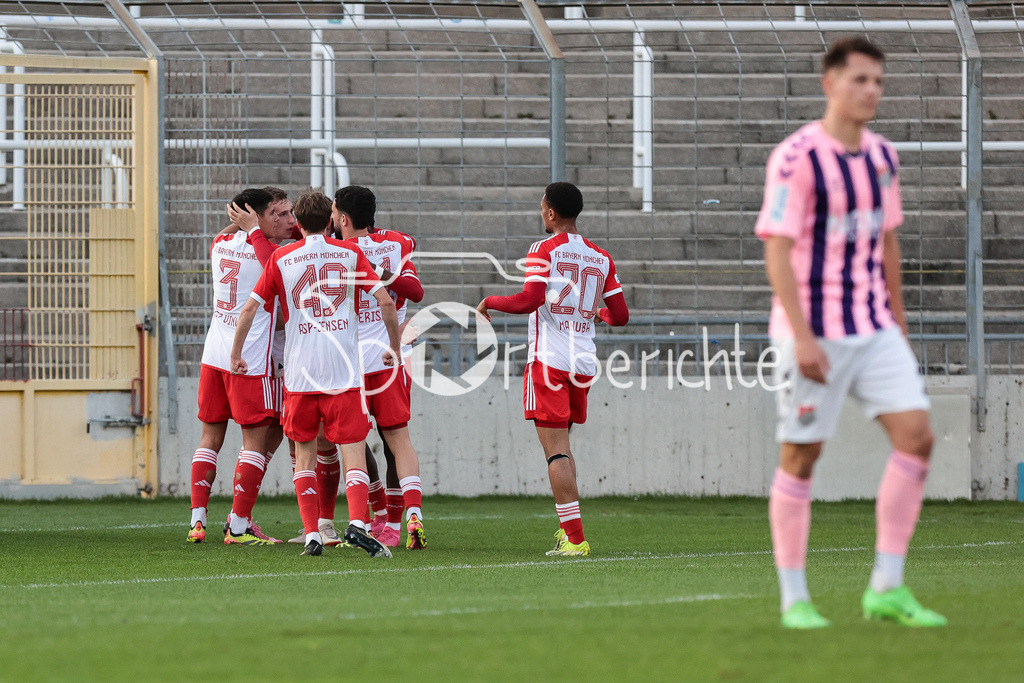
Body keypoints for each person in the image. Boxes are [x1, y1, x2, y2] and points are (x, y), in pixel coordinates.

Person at [755, 37, 946, 629]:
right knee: (803, 456)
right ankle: (795, 600)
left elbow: (887, 239)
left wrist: (899, 322)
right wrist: (804, 338)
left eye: (879, 82)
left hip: (874, 326)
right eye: (860, 80)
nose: (871, 92)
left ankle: (887, 587)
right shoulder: (797, 158)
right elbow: (778, 254)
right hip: (814, 331)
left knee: (917, 437)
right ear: (830, 83)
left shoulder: (883, 157)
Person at [230, 190, 400, 558]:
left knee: (304, 454)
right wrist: (395, 349)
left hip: (301, 374)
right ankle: (357, 524)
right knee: (352, 449)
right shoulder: (351, 253)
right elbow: (386, 300)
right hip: (342, 371)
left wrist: (236, 353)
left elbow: (249, 310)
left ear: (299, 223)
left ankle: (311, 534)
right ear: (329, 221)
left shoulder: (280, 257)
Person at [476, 181, 629, 556]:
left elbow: (529, 300)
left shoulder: (543, 249)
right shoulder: (601, 256)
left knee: (556, 452)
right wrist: (601, 313)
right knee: (564, 446)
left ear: (550, 212)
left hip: (549, 362)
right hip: (583, 363)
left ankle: (576, 540)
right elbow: (621, 316)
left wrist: (489, 301)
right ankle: (569, 530)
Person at [186, 187, 292, 545]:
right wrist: (254, 230)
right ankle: (239, 525)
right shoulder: (273, 253)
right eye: (278, 214)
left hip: (214, 354)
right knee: (256, 441)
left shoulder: (220, 242)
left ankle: (197, 520)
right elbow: (273, 265)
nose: (288, 221)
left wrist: (245, 225)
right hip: (248, 358)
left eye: (289, 213)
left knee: (209, 439)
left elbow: (234, 234)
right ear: (255, 217)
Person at [328, 185, 427, 549]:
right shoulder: (398, 242)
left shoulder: (338, 251)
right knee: (397, 439)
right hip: (391, 356)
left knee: (352, 439)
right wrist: (385, 269)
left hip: (351, 361)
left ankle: (375, 514)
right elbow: (415, 292)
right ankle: (408, 517)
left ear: (344, 218)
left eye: (335, 213)